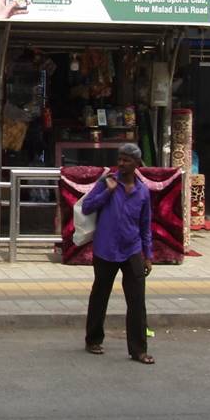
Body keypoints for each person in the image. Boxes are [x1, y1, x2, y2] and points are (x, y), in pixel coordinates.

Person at [81, 142, 154, 364]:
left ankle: (138, 350)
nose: (121, 163)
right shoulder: (107, 182)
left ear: (137, 163)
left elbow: (145, 225)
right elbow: (87, 207)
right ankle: (93, 339)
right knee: (100, 294)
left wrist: (148, 254)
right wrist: (108, 193)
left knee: (137, 301)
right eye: (119, 159)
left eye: (126, 160)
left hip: (131, 249)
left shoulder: (143, 191)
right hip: (106, 248)